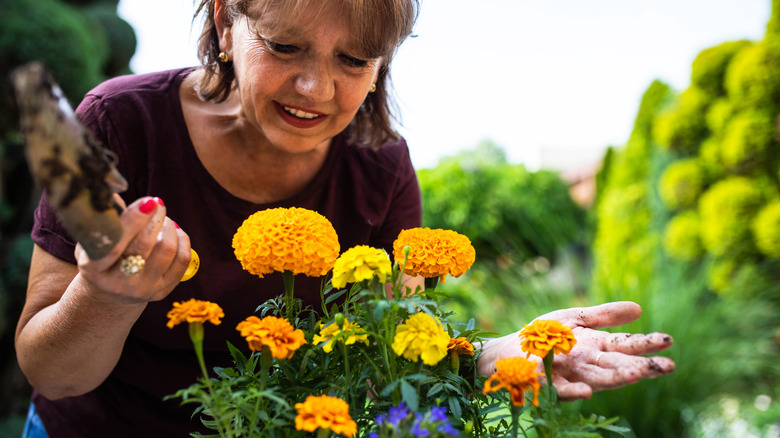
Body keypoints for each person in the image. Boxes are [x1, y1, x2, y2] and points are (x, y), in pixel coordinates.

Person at [14, 0, 675, 436]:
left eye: (353, 60)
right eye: (285, 46)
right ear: (223, 22)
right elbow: (52, 371)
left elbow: (382, 356)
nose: (316, 88)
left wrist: (500, 356)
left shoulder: (381, 168)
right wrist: (104, 294)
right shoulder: (118, 122)